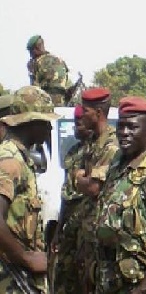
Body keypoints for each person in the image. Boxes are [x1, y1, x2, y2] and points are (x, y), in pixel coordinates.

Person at [94, 96, 146, 293]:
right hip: (108, 281)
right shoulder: (117, 164)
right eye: (121, 126)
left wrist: (144, 287)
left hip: (136, 285)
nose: (124, 133)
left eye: (132, 127)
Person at [0, 85, 60, 293]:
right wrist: (25, 258)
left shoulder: (21, 158)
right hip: (10, 276)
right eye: (46, 123)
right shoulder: (10, 161)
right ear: (31, 122)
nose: (49, 129)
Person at [74, 87, 119, 293]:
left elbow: (92, 187)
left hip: (100, 234)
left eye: (85, 110)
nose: (81, 114)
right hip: (88, 230)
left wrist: (77, 178)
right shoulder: (94, 142)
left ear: (98, 113)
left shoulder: (111, 145)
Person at [50, 104, 91, 294]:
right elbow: (66, 195)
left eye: (79, 123)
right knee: (63, 277)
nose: (76, 128)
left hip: (86, 229)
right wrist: (58, 230)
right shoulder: (73, 153)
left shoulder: (99, 153)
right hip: (69, 228)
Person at [26, 35, 72, 106]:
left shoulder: (35, 63)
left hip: (45, 102)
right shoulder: (59, 60)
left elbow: (34, 88)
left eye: (30, 51)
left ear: (35, 49)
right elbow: (67, 81)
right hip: (62, 101)